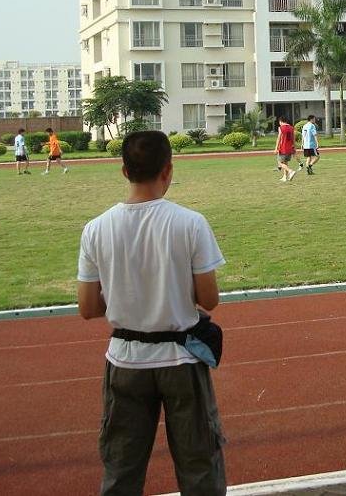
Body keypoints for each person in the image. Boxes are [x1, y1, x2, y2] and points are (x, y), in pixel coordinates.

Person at [77, 131, 227, 496]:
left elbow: (88, 308)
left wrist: (127, 294)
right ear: (168, 170)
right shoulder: (190, 223)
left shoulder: (96, 229)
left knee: (121, 469)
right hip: (181, 361)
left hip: (125, 361)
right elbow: (209, 299)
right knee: (199, 466)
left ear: (124, 171)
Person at [274, 115, 298, 183]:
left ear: (280, 121)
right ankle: (285, 177)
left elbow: (279, 138)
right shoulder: (291, 128)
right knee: (285, 162)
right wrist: (294, 148)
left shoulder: (281, 128)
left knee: (280, 163)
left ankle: (290, 171)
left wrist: (276, 148)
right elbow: (293, 138)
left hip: (283, 148)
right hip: (290, 148)